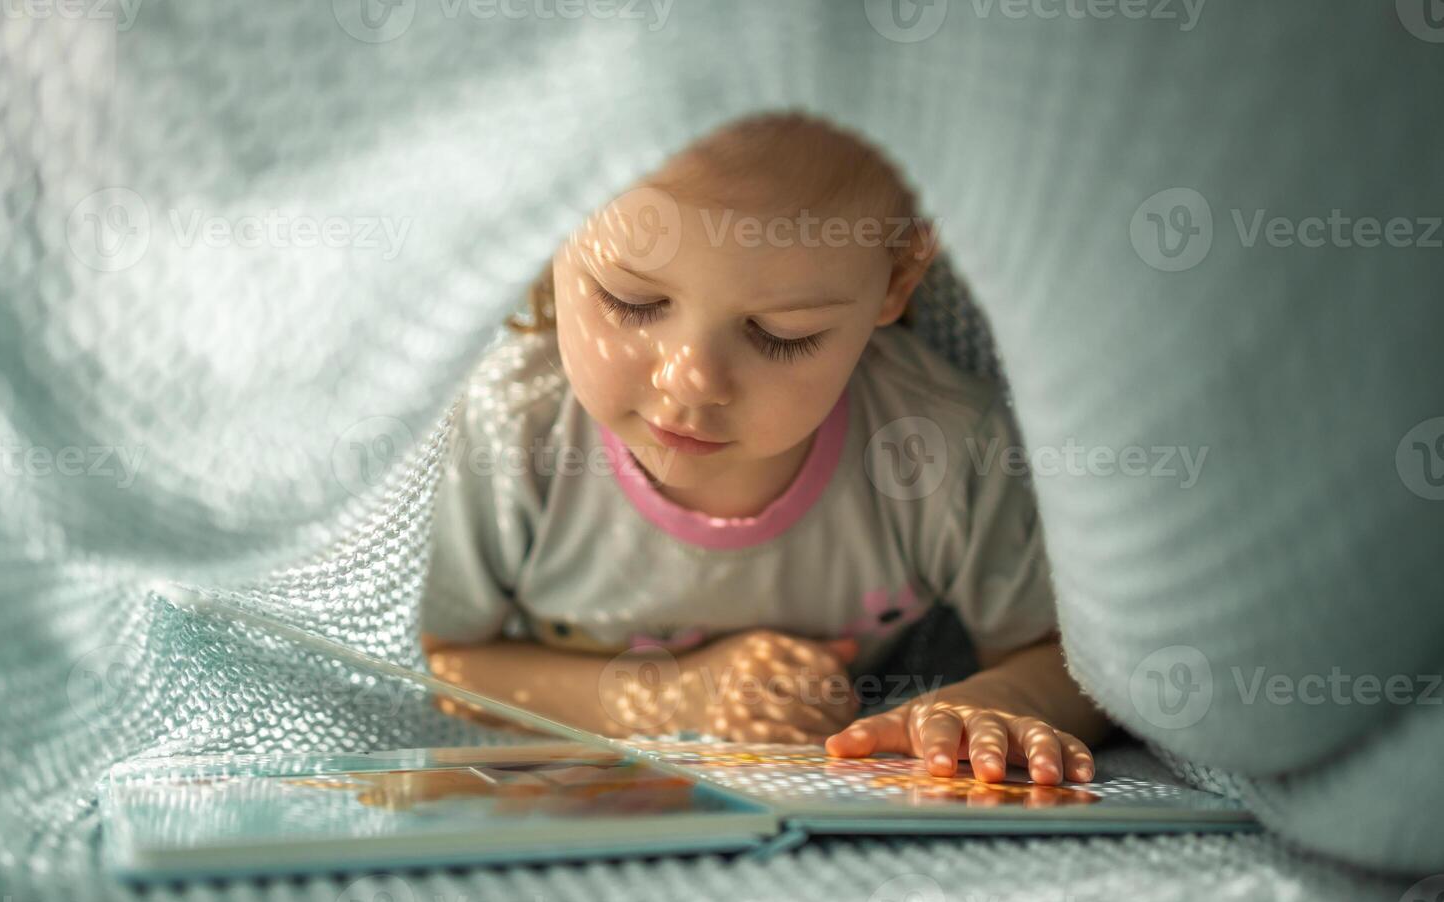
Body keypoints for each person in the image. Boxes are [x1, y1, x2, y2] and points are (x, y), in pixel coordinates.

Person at [422, 112, 1108, 785]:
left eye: (781, 334)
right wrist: (678, 697)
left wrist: (994, 704)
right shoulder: (511, 432)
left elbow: (1073, 660)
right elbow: (436, 666)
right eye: (631, 302)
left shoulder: (936, 450)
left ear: (897, 278)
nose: (691, 381)